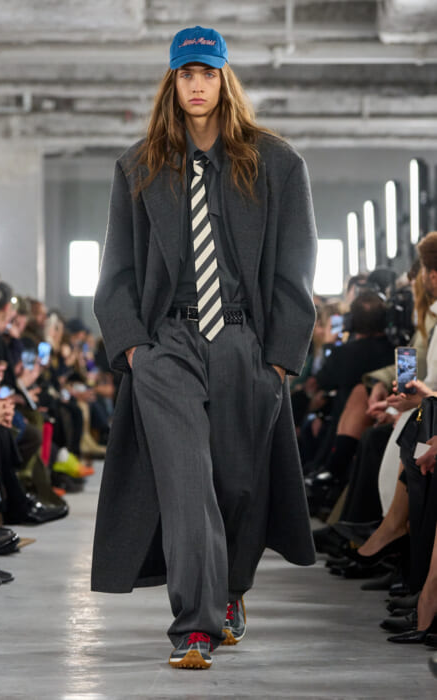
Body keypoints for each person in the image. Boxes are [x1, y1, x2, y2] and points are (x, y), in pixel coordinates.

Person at [91, 25, 317, 670]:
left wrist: (280, 360)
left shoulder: (275, 162)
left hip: (246, 338)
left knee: (238, 482)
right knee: (187, 481)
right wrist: (135, 351)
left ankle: (229, 590)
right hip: (167, 344)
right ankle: (195, 624)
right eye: (186, 74)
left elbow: (296, 268)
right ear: (172, 81)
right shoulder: (139, 166)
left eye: (208, 73)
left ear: (225, 79)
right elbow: (116, 272)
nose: (197, 85)